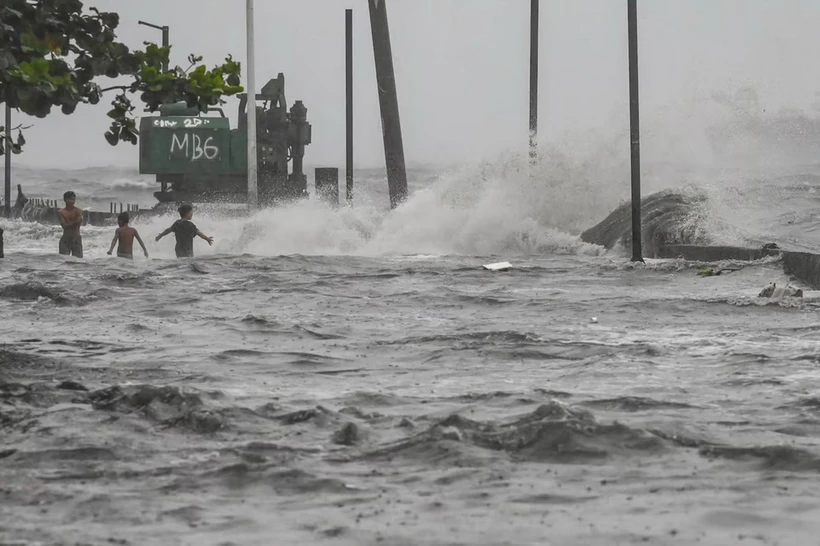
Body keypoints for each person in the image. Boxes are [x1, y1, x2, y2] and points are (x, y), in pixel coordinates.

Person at [57, 191, 84, 258]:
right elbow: (64, 226)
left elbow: (78, 224)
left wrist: (76, 222)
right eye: (70, 199)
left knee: (78, 261)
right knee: (64, 260)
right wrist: (76, 221)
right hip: (66, 239)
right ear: (65, 200)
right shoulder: (61, 212)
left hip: (76, 238)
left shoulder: (78, 211)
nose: (72, 201)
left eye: (73, 199)